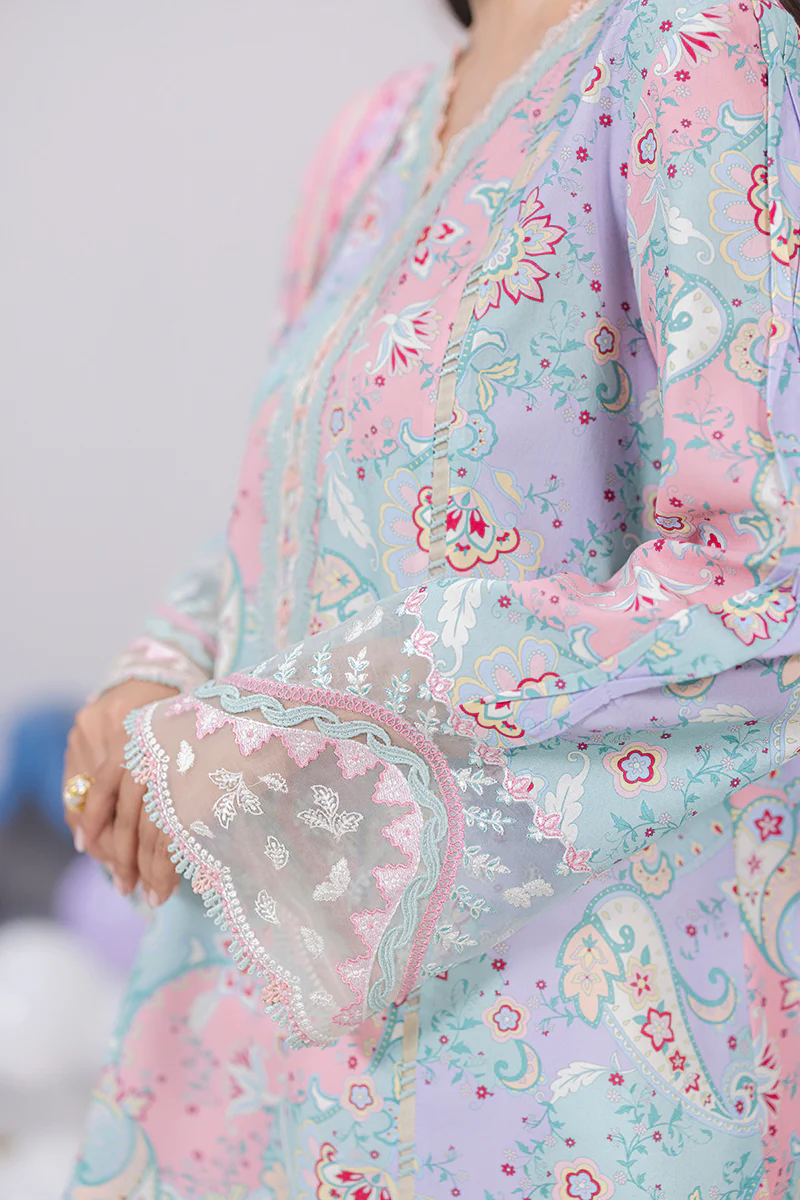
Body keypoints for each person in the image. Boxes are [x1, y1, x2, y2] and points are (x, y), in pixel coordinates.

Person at [62, 0, 800, 1194]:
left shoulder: (693, 48)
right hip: (285, 1026)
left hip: (562, 1051)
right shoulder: (368, 141)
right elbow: (284, 503)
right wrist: (157, 671)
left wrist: (291, 737)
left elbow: (762, 580)